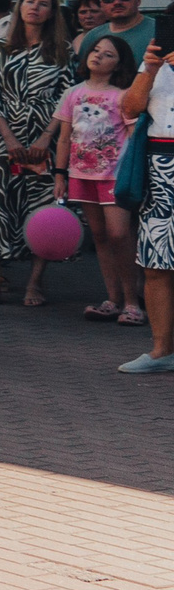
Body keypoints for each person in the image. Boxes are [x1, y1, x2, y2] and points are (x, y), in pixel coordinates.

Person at [0, 0, 74, 296]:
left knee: (43, 207)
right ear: (19, 7)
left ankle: (35, 282)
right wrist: (7, 138)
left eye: (43, 4)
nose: (35, 7)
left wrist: (47, 137)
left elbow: (67, 98)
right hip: (6, 135)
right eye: (29, 1)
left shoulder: (63, 49)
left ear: (51, 13)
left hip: (47, 137)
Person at [53, 36, 139, 322]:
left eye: (108, 54)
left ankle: (132, 301)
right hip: (81, 174)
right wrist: (59, 174)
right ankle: (113, 298)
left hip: (114, 174)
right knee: (100, 236)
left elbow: (132, 136)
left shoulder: (123, 94)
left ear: (118, 64)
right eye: (96, 51)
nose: (98, 56)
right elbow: (64, 138)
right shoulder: (73, 93)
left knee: (119, 234)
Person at [119, 27, 174, 372]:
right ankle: (162, 350)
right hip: (159, 164)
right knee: (157, 261)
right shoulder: (155, 64)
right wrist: (150, 68)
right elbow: (131, 106)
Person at [77, 0, 151, 75]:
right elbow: (83, 76)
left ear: (138, 0)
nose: (117, 2)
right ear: (101, 4)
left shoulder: (160, 31)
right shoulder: (92, 37)